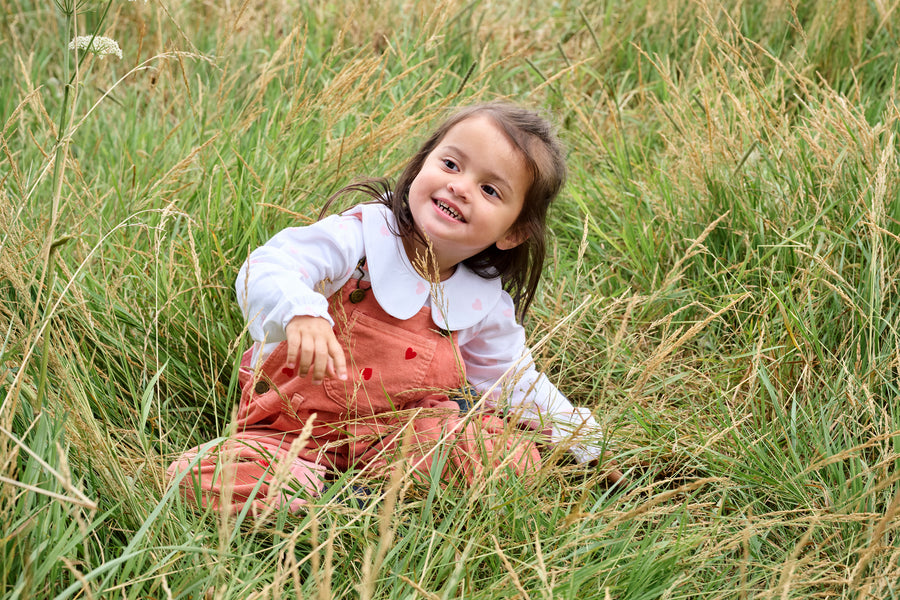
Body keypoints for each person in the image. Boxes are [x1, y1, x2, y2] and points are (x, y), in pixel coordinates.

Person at [168, 103, 617, 514]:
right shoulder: (362, 239)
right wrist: (300, 310)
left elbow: (514, 381)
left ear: (513, 232)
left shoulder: (481, 303)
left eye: (489, 189)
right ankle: (324, 495)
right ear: (422, 163)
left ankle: (368, 497)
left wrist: (582, 439)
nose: (459, 187)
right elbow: (268, 265)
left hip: (397, 438)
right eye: (450, 164)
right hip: (288, 435)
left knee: (500, 455)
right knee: (196, 476)